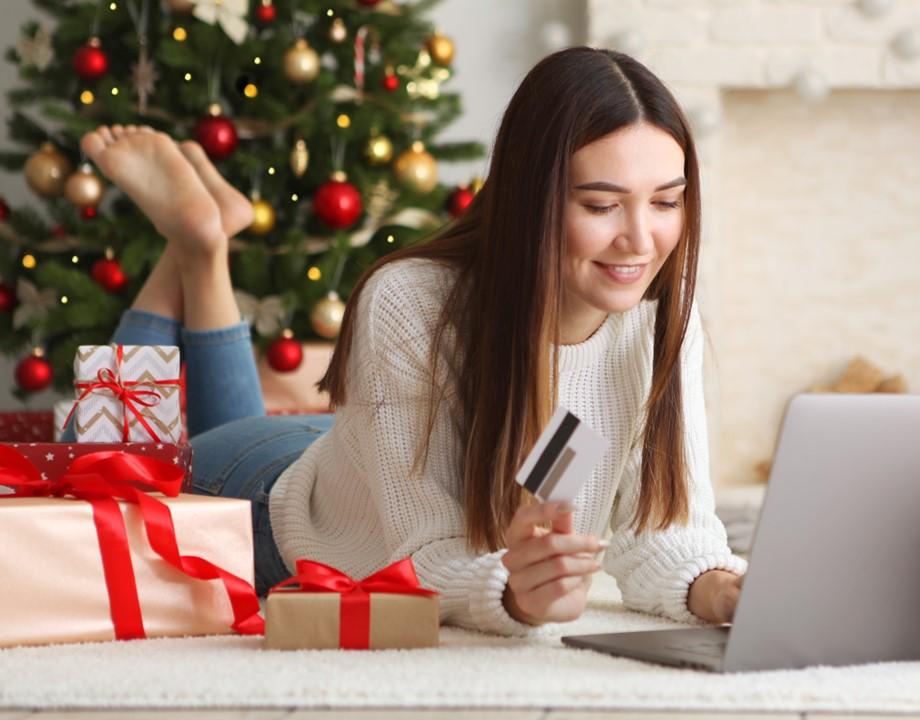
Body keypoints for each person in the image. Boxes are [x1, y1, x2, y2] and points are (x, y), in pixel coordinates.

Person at [73, 47, 745, 635]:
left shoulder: (657, 318)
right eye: (601, 205)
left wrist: (721, 591)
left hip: (357, 457)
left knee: (261, 432)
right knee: (113, 468)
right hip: (278, 498)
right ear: (530, 199)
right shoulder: (411, 301)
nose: (641, 240)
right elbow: (418, 556)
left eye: (666, 201)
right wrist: (512, 591)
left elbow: (664, 531)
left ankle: (199, 242)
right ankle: (197, 245)